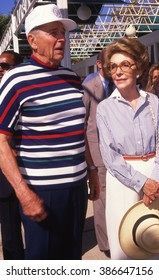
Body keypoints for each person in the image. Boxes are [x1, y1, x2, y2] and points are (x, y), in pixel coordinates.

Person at [0, 4, 99, 260]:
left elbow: (78, 130)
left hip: (76, 187)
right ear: (32, 40)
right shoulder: (15, 80)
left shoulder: (72, 78)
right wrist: (24, 194)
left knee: (71, 257)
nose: (61, 38)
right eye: (53, 32)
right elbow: (1, 141)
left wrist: (91, 171)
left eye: (63, 33)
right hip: (42, 190)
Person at [96, 36, 159, 260]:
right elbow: (110, 157)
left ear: (139, 70)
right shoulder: (105, 108)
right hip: (122, 183)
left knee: (153, 240)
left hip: (156, 178)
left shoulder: (154, 102)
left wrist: (155, 179)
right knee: (125, 246)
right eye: (113, 66)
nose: (118, 71)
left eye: (125, 64)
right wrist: (142, 183)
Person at [82, 49, 114, 257]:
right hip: (96, 150)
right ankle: (106, 244)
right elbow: (82, 120)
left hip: (117, 149)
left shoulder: (117, 84)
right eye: (110, 63)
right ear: (100, 64)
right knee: (101, 198)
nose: (114, 67)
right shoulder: (89, 85)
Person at [0, 50, 24, 260]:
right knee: (9, 236)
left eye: (6, 66)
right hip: (4, 177)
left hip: (31, 172)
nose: (0, 69)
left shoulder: (27, 92)